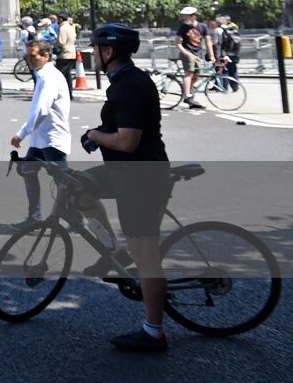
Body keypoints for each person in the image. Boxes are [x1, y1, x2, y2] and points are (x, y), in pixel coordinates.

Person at [77, 23, 171, 352]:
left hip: (141, 178)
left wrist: (94, 134)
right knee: (78, 188)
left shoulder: (128, 86)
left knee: (147, 258)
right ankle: (114, 251)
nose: (91, 54)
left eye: (96, 49)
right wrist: (101, 132)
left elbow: (128, 141)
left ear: (109, 51)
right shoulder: (125, 81)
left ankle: (154, 332)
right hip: (125, 172)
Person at [10, 39, 70, 227]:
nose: (29, 60)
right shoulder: (42, 75)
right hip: (40, 138)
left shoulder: (49, 78)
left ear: (46, 56)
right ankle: (34, 217)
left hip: (52, 138)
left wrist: (22, 133)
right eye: (27, 56)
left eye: (33, 56)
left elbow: (41, 110)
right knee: (28, 170)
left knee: (65, 182)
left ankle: (76, 217)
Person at [173, 6, 211, 109]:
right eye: (184, 16)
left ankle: (190, 95)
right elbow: (177, 42)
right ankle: (187, 95)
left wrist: (211, 56)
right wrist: (185, 52)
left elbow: (208, 41)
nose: (184, 18)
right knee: (189, 73)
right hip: (187, 53)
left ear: (193, 16)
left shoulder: (202, 27)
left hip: (197, 54)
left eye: (186, 16)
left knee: (196, 75)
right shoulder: (183, 28)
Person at [55, 14, 77, 97]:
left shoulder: (63, 28)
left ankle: (61, 93)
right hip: (72, 52)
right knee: (68, 74)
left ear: (61, 19)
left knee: (60, 75)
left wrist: (55, 43)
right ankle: (70, 92)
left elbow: (62, 42)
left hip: (64, 54)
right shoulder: (71, 27)